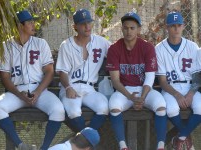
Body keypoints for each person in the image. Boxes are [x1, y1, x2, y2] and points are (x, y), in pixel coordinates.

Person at [0, 10, 65, 150]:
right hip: (17, 92)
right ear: (20, 25)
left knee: (59, 110)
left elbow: (49, 72)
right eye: (30, 22)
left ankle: (44, 148)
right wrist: (20, 95)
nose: (33, 24)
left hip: (40, 90)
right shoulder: (4, 47)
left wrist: (37, 92)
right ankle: (21, 145)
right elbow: (5, 77)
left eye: (33, 21)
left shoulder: (41, 43)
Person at [106, 11, 167, 150]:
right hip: (124, 91)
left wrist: (142, 98)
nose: (129, 31)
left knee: (161, 105)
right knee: (114, 106)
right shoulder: (114, 49)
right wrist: (130, 97)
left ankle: (161, 146)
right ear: (122, 29)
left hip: (144, 89)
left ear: (139, 29)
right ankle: (123, 146)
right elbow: (115, 80)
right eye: (126, 28)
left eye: (132, 28)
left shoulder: (148, 47)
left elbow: (150, 77)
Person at [55, 8, 111, 132]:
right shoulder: (66, 45)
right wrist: (68, 88)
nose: (87, 27)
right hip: (70, 87)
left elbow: (117, 51)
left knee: (104, 107)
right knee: (74, 112)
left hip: (89, 89)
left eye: (89, 23)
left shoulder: (101, 42)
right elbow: (62, 72)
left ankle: (85, 143)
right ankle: (89, 143)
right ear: (75, 26)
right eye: (82, 24)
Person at [155, 11, 201, 150]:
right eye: (172, 25)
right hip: (170, 89)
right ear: (167, 27)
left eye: (178, 25)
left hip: (189, 87)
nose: (176, 28)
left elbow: (197, 76)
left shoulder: (193, 47)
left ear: (183, 26)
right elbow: (162, 81)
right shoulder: (159, 49)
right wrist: (177, 95)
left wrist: (190, 94)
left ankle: (180, 137)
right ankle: (186, 138)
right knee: (172, 109)